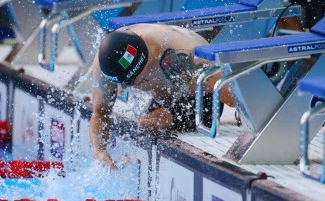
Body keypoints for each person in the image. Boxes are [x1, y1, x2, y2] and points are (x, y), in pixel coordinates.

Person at [88, 23, 234, 169]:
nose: (125, 87)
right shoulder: (105, 65)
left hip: (202, 102)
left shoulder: (185, 55)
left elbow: (236, 98)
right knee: (142, 128)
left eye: (130, 81)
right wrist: (99, 151)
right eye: (121, 82)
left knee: (147, 122)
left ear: (147, 63)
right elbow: (100, 113)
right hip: (167, 95)